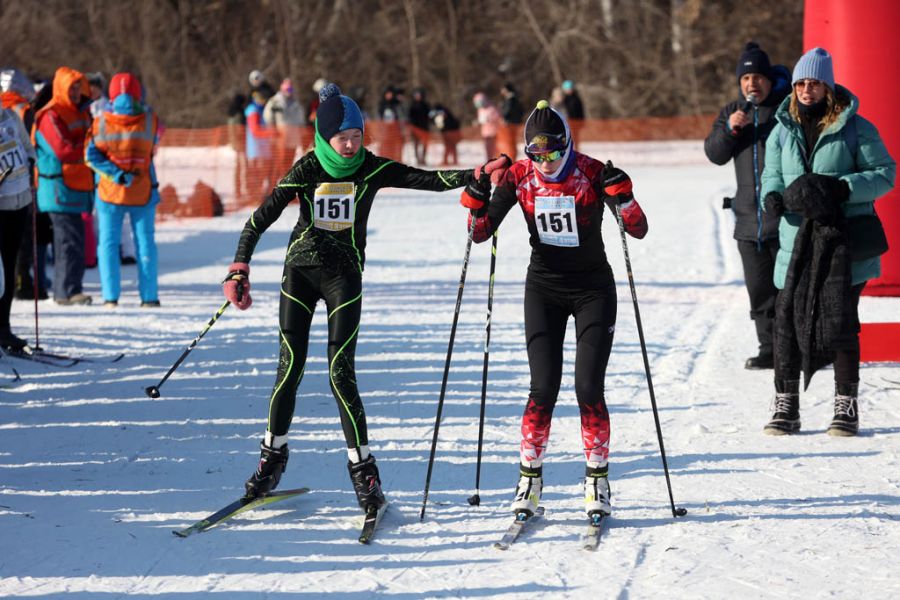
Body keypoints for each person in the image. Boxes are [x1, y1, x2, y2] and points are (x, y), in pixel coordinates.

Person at [224, 84, 500, 514]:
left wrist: (476, 175)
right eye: (342, 138)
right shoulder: (308, 168)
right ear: (325, 137)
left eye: (357, 135)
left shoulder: (369, 169)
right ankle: (270, 462)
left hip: (344, 279)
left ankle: (364, 474)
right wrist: (239, 267)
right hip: (299, 274)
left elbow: (425, 179)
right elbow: (258, 220)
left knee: (340, 373)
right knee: (289, 368)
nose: (351, 145)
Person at [459, 100, 648, 519]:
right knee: (542, 388)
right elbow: (480, 233)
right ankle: (529, 478)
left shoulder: (591, 171)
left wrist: (625, 196)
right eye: (536, 154)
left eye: (554, 153)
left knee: (587, 389)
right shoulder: (520, 176)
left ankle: (597, 480)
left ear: (568, 145)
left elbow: (637, 229)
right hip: (543, 289)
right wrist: (476, 199)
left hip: (593, 290)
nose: (545, 162)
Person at [760, 47, 895, 437]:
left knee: (839, 323)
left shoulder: (857, 128)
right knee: (784, 324)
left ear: (828, 86)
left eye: (814, 82)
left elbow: (885, 173)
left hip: (842, 245)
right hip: (795, 244)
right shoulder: (781, 129)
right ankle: (786, 405)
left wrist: (841, 188)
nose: (806, 89)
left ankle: (846, 405)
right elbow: (772, 173)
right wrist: (772, 195)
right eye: (801, 82)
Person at [704, 42, 791, 370]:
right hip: (746, 220)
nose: (751, 83)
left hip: (783, 217)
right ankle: (769, 348)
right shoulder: (732, 112)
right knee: (759, 290)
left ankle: (792, 347)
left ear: (769, 79)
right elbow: (715, 153)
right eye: (745, 78)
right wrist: (731, 130)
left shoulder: (786, 110)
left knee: (788, 287)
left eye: (757, 77)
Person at [85, 72, 161, 308]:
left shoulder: (101, 123)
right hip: (143, 191)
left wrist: (116, 173)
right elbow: (150, 153)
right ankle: (149, 297)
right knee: (145, 242)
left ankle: (111, 297)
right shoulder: (150, 120)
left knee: (108, 244)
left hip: (110, 192)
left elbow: (90, 156)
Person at [33, 66, 94, 306]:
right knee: (67, 240)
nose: (77, 91)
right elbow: (63, 149)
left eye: (79, 86)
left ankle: (70, 288)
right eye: (72, 87)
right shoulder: (50, 116)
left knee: (74, 239)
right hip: (57, 187)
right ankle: (65, 291)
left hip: (75, 186)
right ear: (61, 88)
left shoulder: (79, 112)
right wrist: (89, 148)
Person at [0, 105, 36, 350]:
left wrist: (31, 162)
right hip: (1, 205)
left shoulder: (11, 115)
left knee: (10, 268)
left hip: (20, 201)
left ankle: (4, 328)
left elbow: (27, 146)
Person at [264, 78, 306, 177]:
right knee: (279, 163)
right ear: (282, 89)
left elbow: (301, 120)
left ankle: (286, 183)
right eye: (287, 89)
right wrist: (272, 130)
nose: (288, 92)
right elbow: (267, 117)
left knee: (289, 162)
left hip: (293, 138)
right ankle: (275, 185)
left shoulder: (296, 103)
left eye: (290, 90)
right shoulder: (275, 101)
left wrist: (302, 134)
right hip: (280, 137)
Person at [244, 90, 276, 199]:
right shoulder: (253, 110)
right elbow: (255, 130)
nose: (264, 101)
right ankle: (254, 195)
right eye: (262, 99)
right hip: (256, 148)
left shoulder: (260, 109)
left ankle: (260, 194)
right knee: (256, 173)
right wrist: (271, 133)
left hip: (262, 147)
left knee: (263, 172)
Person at [498, 82, 524, 160]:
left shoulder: (511, 99)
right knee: (511, 142)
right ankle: (511, 157)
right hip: (514, 123)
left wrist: (502, 114)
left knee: (510, 142)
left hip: (510, 124)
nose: (501, 91)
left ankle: (511, 158)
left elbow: (507, 111)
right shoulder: (515, 98)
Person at [473, 92, 501, 161]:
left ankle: (497, 160)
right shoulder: (480, 110)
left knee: (495, 147)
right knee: (487, 148)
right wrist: (477, 122)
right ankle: (489, 160)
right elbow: (480, 119)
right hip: (485, 132)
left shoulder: (491, 108)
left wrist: (489, 119)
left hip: (494, 131)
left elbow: (498, 117)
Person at [407, 87, 430, 166]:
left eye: (419, 95)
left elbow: (429, 116)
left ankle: (423, 158)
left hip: (424, 128)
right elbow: (409, 116)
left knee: (425, 145)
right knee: (416, 144)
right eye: (416, 95)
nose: (417, 97)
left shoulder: (426, 105)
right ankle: (417, 159)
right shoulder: (412, 106)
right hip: (415, 128)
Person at [561, 80, 585, 151]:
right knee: (566, 136)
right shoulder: (564, 99)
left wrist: (582, 121)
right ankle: (566, 149)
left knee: (575, 137)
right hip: (566, 121)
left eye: (570, 88)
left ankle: (575, 149)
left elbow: (581, 110)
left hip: (575, 121)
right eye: (567, 89)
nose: (569, 90)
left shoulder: (576, 98)